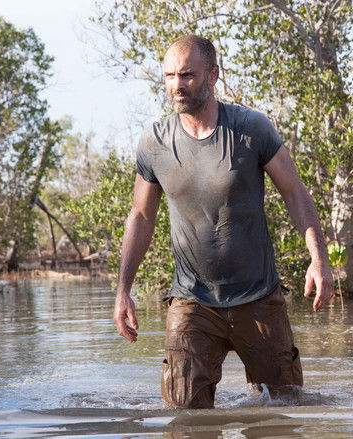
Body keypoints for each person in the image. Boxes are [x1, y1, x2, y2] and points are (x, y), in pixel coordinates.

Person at [113, 34, 335, 409]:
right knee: (185, 417)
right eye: (169, 76)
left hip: (259, 299)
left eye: (187, 75)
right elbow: (141, 215)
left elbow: (295, 193)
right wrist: (123, 290)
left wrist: (319, 259)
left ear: (213, 74)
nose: (176, 85)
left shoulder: (252, 129)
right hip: (192, 301)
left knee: (283, 412)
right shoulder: (154, 142)